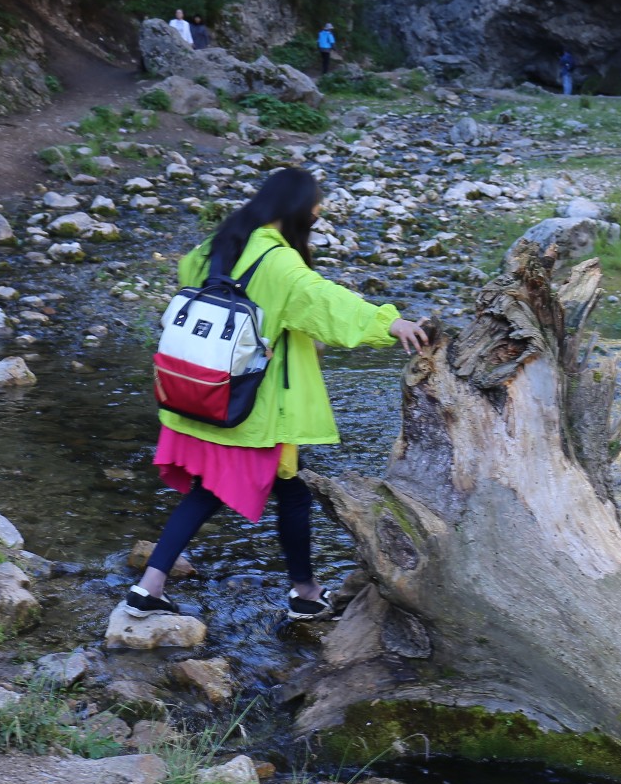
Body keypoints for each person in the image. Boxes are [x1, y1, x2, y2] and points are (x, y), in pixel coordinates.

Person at [122, 166, 427, 623]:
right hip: (254, 409)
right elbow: (325, 302)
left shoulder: (210, 250)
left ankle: (152, 586)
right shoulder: (279, 264)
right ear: (297, 211)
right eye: (315, 207)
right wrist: (388, 323)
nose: (318, 212)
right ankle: (303, 594)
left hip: (199, 391)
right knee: (285, 493)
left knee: (235, 490)